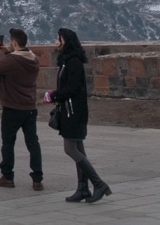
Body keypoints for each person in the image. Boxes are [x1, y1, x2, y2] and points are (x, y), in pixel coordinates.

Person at [45, 28, 111, 203]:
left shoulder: (72, 61)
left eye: (58, 39)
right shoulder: (67, 61)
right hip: (71, 110)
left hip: (73, 112)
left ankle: (99, 184)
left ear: (65, 41)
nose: (56, 42)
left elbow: (73, 88)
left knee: (70, 149)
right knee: (79, 149)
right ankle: (83, 188)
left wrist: (54, 95)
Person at [0, 27, 43, 191]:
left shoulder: (11, 61)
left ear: (14, 42)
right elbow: (17, 62)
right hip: (30, 107)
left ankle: (7, 176)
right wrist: (8, 52)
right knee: (33, 143)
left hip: (12, 107)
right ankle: (37, 178)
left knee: (8, 143)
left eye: (10, 41)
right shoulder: (34, 59)